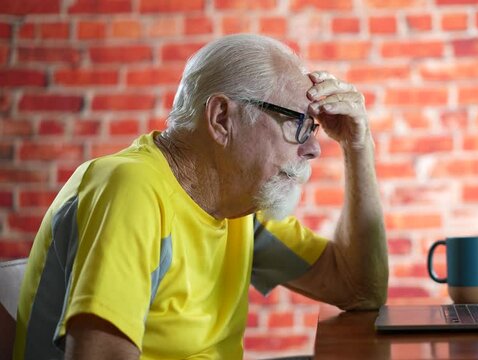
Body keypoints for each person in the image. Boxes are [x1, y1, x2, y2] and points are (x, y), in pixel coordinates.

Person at [13, 34, 388, 359]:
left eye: (315, 129)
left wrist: (359, 145)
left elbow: (359, 289)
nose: (312, 150)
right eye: (298, 124)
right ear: (222, 118)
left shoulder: (238, 204)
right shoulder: (131, 189)